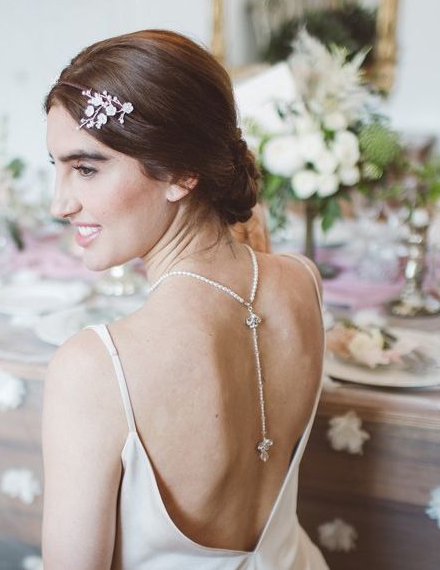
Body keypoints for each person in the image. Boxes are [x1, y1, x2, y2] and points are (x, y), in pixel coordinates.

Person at [41, 29, 328, 569]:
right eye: (55, 166)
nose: (59, 203)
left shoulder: (95, 369)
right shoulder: (302, 282)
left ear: (181, 171)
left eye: (85, 168)